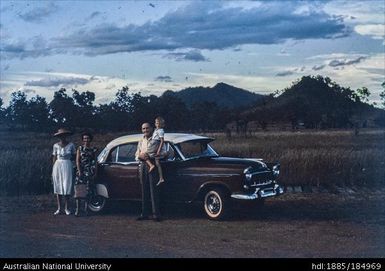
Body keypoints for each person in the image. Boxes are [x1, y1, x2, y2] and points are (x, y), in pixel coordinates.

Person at [135, 122, 162, 222]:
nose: (145, 130)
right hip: (142, 165)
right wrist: (140, 156)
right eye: (143, 129)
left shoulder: (156, 139)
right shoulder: (141, 140)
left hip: (153, 164)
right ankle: (144, 213)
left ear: (151, 128)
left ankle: (156, 214)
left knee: (153, 189)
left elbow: (156, 153)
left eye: (147, 128)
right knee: (144, 189)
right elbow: (137, 153)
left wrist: (146, 155)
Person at [52, 128, 76, 215]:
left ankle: (67, 208)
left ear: (66, 136)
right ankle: (59, 208)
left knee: (67, 186)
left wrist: (73, 165)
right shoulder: (55, 146)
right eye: (60, 136)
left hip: (67, 165)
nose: (62, 137)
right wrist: (53, 169)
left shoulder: (71, 145)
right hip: (58, 166)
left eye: (64, 135)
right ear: (58, 137)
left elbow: (74, 156)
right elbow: (54, 158)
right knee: (58, 186)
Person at [74, 132, 97, 217]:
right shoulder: (80, 149)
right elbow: (77, 161)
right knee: (79, 190)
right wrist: (79, 171)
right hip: (81, 170)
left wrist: (95, 172)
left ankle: (86, 209)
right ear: (82, 140)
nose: (86, 140)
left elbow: (95, 162)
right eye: (84, 138)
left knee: (87, 191)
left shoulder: (93, 149)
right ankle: (77, 210)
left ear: (90, 139)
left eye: (87, 138)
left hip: (89, 171)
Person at [144, 116, 166, 186]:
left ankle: (151, 165)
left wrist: (159, 151)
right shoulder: (156, 130)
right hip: (154, 142)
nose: (158, 125)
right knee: (157, 161)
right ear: (155, 123)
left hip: (155, 143)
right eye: (157, 123)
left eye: (159, 124)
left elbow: (162, 141)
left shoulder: (160, 131)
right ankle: (161, 178)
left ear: (163, 124)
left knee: (144, 155)